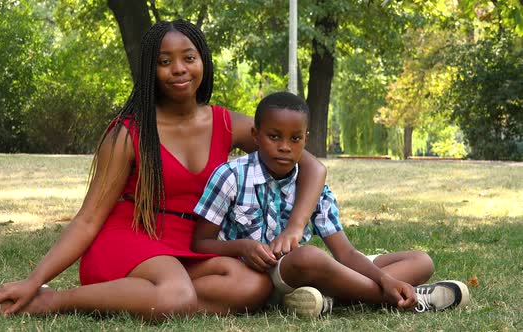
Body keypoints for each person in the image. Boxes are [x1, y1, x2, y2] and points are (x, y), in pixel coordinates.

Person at [0, 20, 328, 322]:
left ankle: (144, 298)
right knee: (176, 296)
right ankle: (54, 299)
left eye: (188, 58)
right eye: (165, 61)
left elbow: (311, 166)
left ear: (202, 62)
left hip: (188, 245)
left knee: (252, 286)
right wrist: (32, 279)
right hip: (129, 238)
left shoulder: (226, 122)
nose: (179, 69)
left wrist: (295, 226)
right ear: (150, 69)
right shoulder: (128, 132)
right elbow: (88, 219)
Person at [192, 92, 470, 317]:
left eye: (295, 138)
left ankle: (329, 299)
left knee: (420, 261)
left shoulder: (314, 188)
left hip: (314, 275)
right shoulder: (230, 176)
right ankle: (407, 297)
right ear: (255, 135)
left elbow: (345, 254)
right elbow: (200, 244)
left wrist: (386, 278)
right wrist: (242, 246)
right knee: (309, 256)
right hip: (261, 276)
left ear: (306, 140)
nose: (285, 146)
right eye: (274, 136)